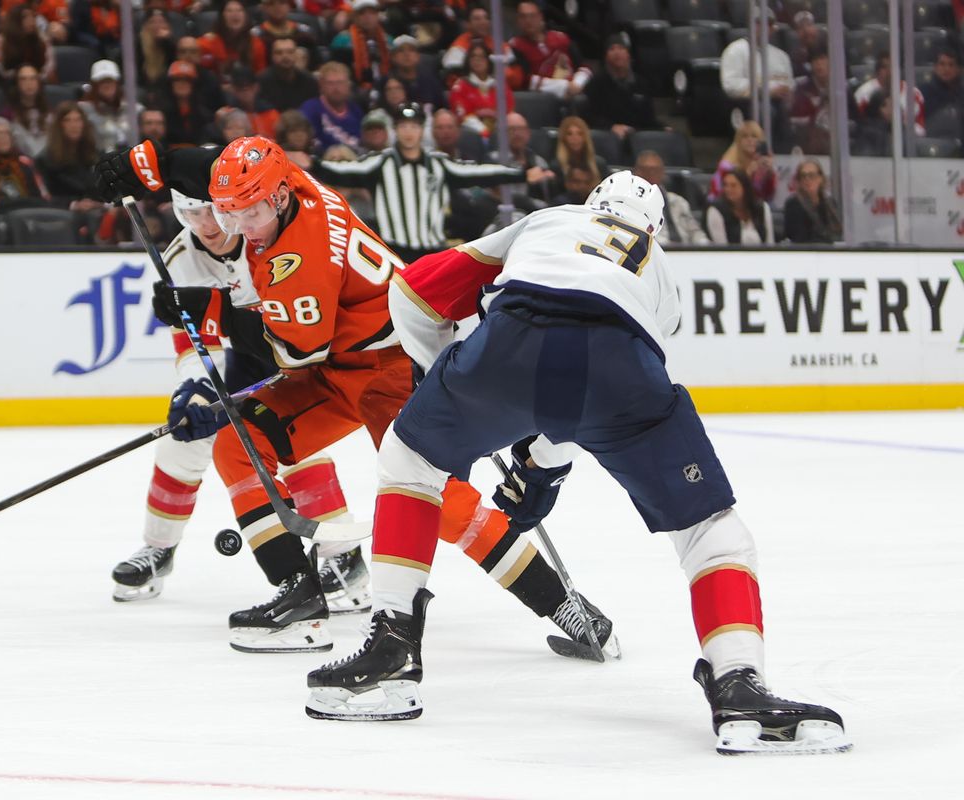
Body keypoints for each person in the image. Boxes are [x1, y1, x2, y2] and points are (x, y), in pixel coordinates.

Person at [303, 173, 852, 761]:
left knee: (408, 461)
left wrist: (445, 378)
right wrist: (542, 468)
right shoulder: (659, 269)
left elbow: (413, 290)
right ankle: (739, 683)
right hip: (624, 366)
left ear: (591, 204)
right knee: (712, 530)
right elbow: (588, 385)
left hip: (510, 343)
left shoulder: (550, 219)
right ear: (655, 227)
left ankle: (392, 649)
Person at [93, 134, 615, 654]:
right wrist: (150, 163)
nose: (237, 227)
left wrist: (209, 312)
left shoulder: (298, 255)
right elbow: (210, 162)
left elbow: (295, 353)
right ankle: (297, 596)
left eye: (247, 213)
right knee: (238, 442)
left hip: (388, 366)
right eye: (230, 212)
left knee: (440, 499)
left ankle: (563, 603)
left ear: (275, 199)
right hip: (340, 360)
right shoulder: (288, 182)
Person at [105, 145, 369, 611]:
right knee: (181, 443)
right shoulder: (180, 257)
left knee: (292, 447)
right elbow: (191, 342)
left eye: (212, 213)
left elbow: (298, 333)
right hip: (236, 361)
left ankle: (341, 556)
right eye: (190, 216)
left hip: (288, 355)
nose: (207, 227)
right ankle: (158, 548)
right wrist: (196, 387)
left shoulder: (264, 232)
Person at [313, 103, 543, 263]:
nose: (409, 132)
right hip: (394, 249)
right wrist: (313, 164)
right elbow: (341, 170)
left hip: (432, 249)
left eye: (413, 126)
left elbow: (478, 171)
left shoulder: (438, 164)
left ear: (422, 130)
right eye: (403, 126)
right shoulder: (381, 163)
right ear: (395, 130)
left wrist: (520, 174)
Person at [718, 7, 793, 150]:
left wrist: (788, 91)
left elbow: (790, 83)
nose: (764, 28)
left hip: (781, 103)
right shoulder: (735, 50)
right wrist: (767, 90)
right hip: (749, 104)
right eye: (759, 23)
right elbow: (730, 85)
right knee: (767, 110)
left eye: (768, 24)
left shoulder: (781, 56)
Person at [583, 32, 660, 141]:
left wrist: (662, 128)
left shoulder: (641, 83)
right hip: (607, 138)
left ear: (628, 54)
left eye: (621, 48)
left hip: (637, 138)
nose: (617, 52)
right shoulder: (596, 83)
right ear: (606, 56)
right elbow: (589, 117)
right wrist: (611, 127)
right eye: (612, 49)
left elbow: (649, 119)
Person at [508, 0, 589, 99]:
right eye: (523, 17)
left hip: (575, 92)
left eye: (532, 16)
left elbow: (584, 68)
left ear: (540, 17)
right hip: (543, 98)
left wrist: (577, 84)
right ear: (518, 20)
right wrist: (564, 86)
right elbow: (526, 80)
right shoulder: (515, 45)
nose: (528, 21)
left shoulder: (561, 38)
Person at [0, 116, 50, 212]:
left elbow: (42, 194)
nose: (2, 138)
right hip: (0, 214)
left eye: (6, 134)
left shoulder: (24, 161)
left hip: (30, 213)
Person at [35, 100, 102, 211]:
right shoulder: (45, 159)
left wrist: (100, 203)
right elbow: (45, 198)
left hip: (97, 210)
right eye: (67, 120)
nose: (74, 125)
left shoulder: (95, 154)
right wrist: (74, 205)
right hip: (63, 215)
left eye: (78, 120)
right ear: (59, 126)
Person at [632, 150, 708, 246]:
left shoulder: (678, 201)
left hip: (686, 252)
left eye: (656, 170)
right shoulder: (633, 204)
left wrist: (705, 245)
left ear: (662, 172)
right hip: (657, 252)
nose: (651, 174)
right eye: (646, 170)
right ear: (637, 172)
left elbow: (695, 232)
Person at [448, 43, 514, 140]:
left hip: (500, 135)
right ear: (468, 61)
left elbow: (509, 111)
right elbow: (462, 117)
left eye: (482, 56)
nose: (477, 60)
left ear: (488, 60)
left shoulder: (500, 85)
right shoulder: (460, 86)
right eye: (473, 56)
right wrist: (483, 131)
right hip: (472, 136)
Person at [329, 0, 391, 100]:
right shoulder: (342, 40)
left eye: (372, 13)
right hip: (354, 88)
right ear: (354, 17)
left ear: (378, 16)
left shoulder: (387, 40)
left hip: (384, 85)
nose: (368, 17)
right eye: (362, 13)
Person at [854, 51, 925, 137]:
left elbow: (921, 131)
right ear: (877, 71)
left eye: (893, 66)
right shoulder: (863, 94)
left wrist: (900, 124)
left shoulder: (914, 94)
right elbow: (858, 128)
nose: (889, 71)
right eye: (884, 67)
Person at [490, 111, 556, 203]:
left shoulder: (539, 162)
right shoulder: (492, 161)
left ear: (528, 133)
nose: (517, 134)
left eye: (521, 129)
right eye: (511, 129)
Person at [80, 59, 142, 154]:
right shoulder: (83, 110)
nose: (107, 85)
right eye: (102, 82)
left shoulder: (134, 109)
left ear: (117, 83)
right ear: (94, 85)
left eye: (110, 81)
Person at [300, 61, 363, 151]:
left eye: (340, 82)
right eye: (330, 83)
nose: (336, 88)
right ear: (321, 86)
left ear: (348, 85)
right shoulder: (310, 109)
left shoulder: (355, 110)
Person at [708, 121, 776, 204]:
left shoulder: (761, 162)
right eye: (745, 136)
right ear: (739, 141)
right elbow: (728, 195)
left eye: (754, 136)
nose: (750, 140)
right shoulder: (727, 166)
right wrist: (748, 173)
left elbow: (768, 196)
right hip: (724, 206)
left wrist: (769, 175)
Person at [705, 168, 773, 245]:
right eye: (725, 185)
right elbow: (722, 248)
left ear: (745, 187)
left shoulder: (762, 208)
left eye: (733, 185)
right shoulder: (716, 210)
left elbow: (770, 243)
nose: (728, 189)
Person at [198, 0, 267, 76]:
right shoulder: (209, 42)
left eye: (239, 10)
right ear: (222, 16)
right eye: (229, 11)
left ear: (246, 16)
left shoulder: (256, 44)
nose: (235, 14)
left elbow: (260, 76)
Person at [783, 159, 841, 244]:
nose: (807, 179)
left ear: (820, 178)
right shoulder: (793, 204)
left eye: (811, 175)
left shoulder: (829, 203)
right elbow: (799, 237)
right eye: (803, 176)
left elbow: (837, 233)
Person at [0, 2, 54, 81]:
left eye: (33, 16)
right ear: (15, 20)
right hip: (9, 82)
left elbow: (49, 66)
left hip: (38, 82)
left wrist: (34, 78)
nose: (31, 20)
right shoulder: (2, 41)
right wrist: (20, 78)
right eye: (25, 17)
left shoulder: (42, 40)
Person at [259, 36, 321, 113]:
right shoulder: (261, 82)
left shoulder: (309, 81)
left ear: (296, 55)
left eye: (290, 52)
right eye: (279, 53)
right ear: (272, 56)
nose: (285, 56)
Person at [2, 64, 52, 158]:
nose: (29, 83)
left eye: (33, 79)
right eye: (23, 79)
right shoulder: (8, 113)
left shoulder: (50, 112)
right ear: (17, 84)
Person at [789, 47, 832, 155]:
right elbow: (795, 120)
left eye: (822, 59)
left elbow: (854, 120)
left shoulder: (841, 89)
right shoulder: (802, 88)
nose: (819, 64)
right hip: (810, 138)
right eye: (815, 61)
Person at [162, 60, 214, 147]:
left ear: (193, 84)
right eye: (177, 80)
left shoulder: (204, 114)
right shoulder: (161, 112)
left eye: (187, 80)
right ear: (170, 84)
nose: (182, 84)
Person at [385, 34, 443, 110]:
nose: (407, 54)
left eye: (411, 50)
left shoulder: (430, 80)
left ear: (418, 56)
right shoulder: (387, 82)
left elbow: (442, 106)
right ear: (393, 57)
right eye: (401, 50)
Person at [225, 65, 280, 141]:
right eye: (240, 86)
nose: (245, 90)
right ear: (232, 89)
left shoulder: (271, 113)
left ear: (256, 87)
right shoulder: (227, 114)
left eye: (249, 85)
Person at [253, 0, 321, 61]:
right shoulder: (256, 35)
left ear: (289, 6)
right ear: (264, 8)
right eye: (271, 4)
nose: (277, 7)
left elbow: (317, 63)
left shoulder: (305, 33)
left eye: (282, 2)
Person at [920, 48, 963, 136]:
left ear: (958, 69)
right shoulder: (923, 93)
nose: (946, 69)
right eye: (942, 64)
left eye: (951, 65)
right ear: (935, 67)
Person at [554, 115, 606, 183]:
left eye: (580, 134)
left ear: (585, 137)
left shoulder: (599, 164)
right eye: (569, 134)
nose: (575, 138)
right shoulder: (556, 166)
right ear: (563, 138)